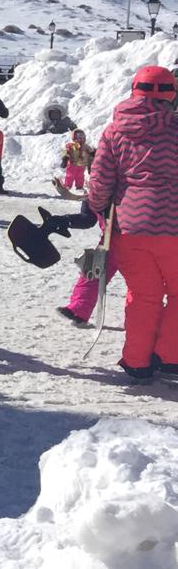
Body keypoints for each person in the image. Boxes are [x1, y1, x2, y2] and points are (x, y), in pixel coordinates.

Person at [86, 66, 178, 384]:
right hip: (174, 229)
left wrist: (96, 206)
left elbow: (100, 182)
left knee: (143, 295)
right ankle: (169, 355)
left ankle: (138, 362)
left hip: (130, 228)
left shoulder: (115, 130)